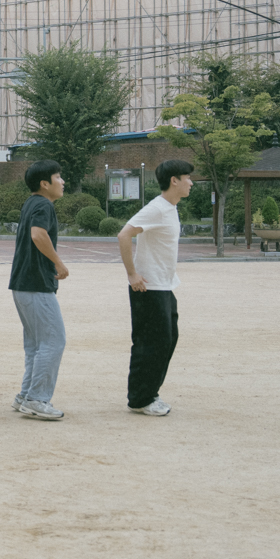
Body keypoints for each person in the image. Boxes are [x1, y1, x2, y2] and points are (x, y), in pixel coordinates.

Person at [116, 159, 194, 417]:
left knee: (167, 340)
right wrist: (132, 274)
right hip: (147, 288)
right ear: (174, 180)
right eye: (187, 177)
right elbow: (124, 234)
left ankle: (149, 392)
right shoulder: (157, 208)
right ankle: (140, 399)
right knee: (150, 343)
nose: (191, 182)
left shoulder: (170, 208)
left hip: (165, 286)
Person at [8, 161, 69, 421]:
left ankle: (26, 396)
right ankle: (37, 399)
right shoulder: (44, 205)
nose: (62, 182)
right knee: (54, 341)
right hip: (35, 284)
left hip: (23, 284)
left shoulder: (31, 203)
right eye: (58, 177)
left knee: (36, 344)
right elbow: (38, 235)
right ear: (45, 184)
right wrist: (59, 263)